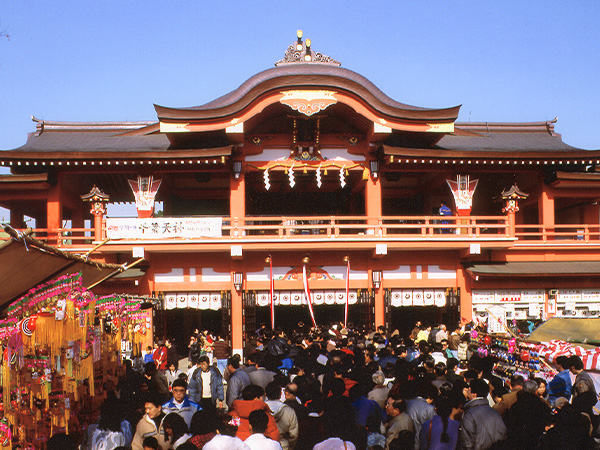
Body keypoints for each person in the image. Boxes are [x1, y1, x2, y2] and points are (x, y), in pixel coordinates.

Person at [458, 379, 506, 450]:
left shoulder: (469, 415)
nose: (467, 391)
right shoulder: (495, 413)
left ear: (474, 393)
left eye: (469, 389)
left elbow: (466, 444)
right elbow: (503, 435)